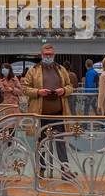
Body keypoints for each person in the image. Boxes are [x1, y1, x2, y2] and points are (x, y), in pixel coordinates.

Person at [22, 43, 77, 178]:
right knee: (41, 143)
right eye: (46, 55)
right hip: (40, 115)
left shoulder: (61, 69)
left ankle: (65, 170)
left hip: (58, 114)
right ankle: (41, 170)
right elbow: (25, 88)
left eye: (50, 54)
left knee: (61, 143)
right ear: (41, 55)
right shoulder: (33, 70)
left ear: (54, 55)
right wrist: (38, 92)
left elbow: (70, 87)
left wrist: (63, 90)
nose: (48, 56)